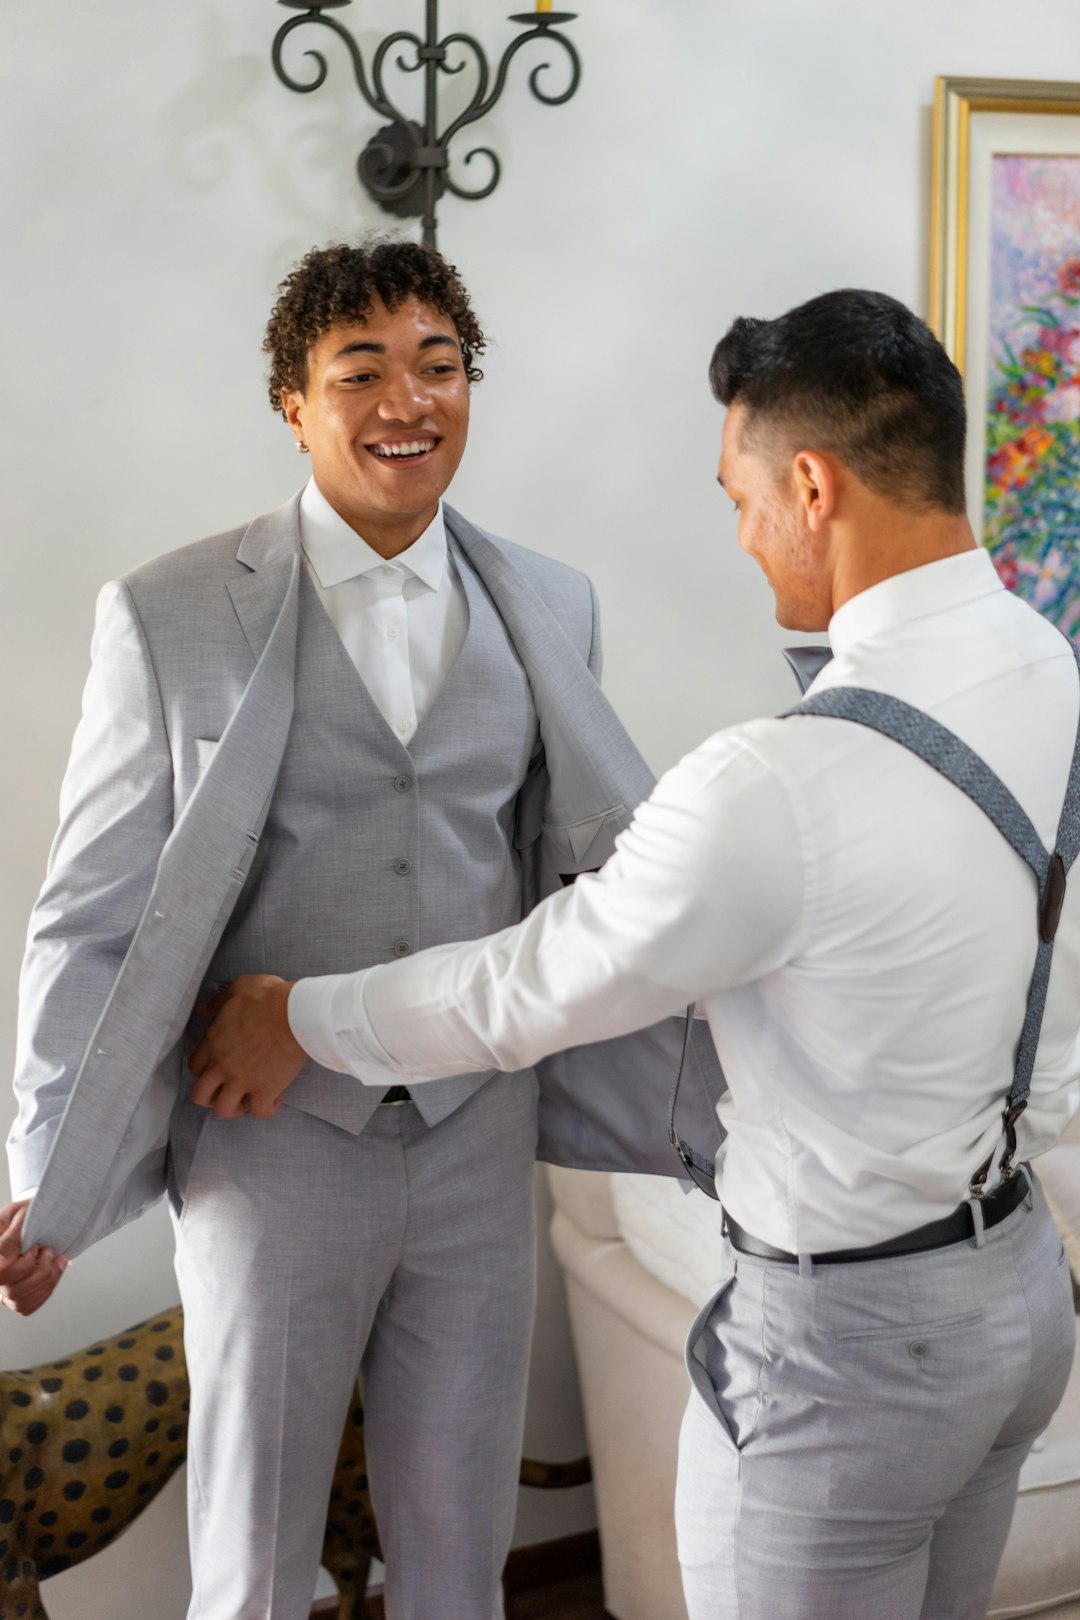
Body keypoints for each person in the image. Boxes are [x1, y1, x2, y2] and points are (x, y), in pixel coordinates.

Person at [190, 289, 1079, 1620]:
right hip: (1015, 1296)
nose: (741, 534)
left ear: (815, 486)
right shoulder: (1038, 659)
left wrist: (298, 1019)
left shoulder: (778, 782)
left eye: (739, 497)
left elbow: (529, 986)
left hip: (852, 1351)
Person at [1, 238, 718, 1620]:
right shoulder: (168, 613)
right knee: (256, 1562)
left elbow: (569, 880)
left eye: (440, 366)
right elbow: (90, 911)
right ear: (293, 399)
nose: (410, 400)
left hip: (474, 1136)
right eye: (363, 371)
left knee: (461, 1556)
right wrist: (49, 1154)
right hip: (267, 1154)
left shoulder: (552, 601)